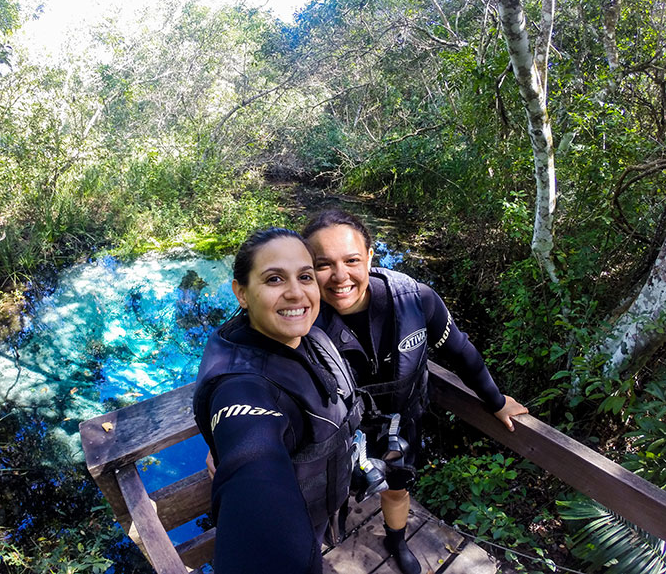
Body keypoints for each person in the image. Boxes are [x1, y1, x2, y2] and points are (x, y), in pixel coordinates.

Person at [303, 209, 529, 574]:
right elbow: (250, 370)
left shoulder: (413, 300)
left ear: (370, 256)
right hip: (334, 434)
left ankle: (397, 538)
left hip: (398, 423)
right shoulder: (298, 315)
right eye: (323, 264)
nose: (340, 275)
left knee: (397, 487)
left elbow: (460, 352)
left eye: (352, 260)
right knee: (321, 498)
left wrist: (496, 401)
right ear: (308, 268)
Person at [193, 227, 362, 574]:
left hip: (323, 504)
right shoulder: (240, 387)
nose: (296, 293)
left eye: (305, 276)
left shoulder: (304, 335)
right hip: (298, 511)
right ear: (241, 293)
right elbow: (253, 465)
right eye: (274, 279)